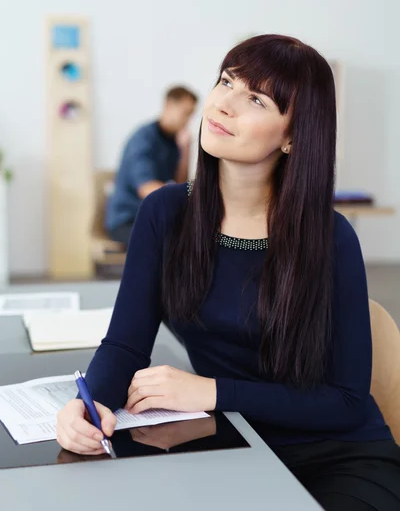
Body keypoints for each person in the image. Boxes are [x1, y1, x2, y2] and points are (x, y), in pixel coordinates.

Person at [57, 35, 400, 510]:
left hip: (339, 456)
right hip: (230, 443)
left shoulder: (331, 237)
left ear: (293, 136)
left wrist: (210, 390)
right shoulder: (164, 213)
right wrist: (86, 404)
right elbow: (125, 345)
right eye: (226, 82)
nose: (224, 104)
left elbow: (345, 401)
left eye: (256, 98)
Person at [105, 86, 197, 246]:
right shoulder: (144, 139)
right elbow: (146, 189)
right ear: (168, 105)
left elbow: (178, 183)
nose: (187, 121)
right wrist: (187, 199)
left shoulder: (173, 142)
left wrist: (185, 151)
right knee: (175, 241)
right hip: (127, 219)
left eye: (190, 115)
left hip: (151, 217)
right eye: (185, 113)